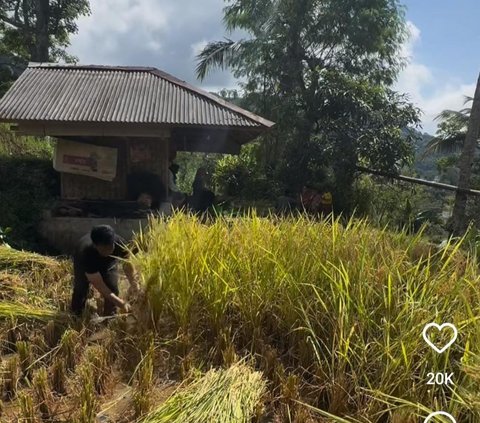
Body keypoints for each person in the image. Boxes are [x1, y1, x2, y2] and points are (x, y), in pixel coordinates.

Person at [71, 225, 139, 317]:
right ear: (96, 246)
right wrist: (121, 303)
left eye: (110, 247)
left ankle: (109, 317)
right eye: (104, 249)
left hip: (108, 263)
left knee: (112, 288)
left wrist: (135, 285)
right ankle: (76, 315)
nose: (108, 251)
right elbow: (99, 284)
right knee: (81, 288)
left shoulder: (120, 243)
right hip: (84, 264)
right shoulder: (86, 252)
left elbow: (128, 265)